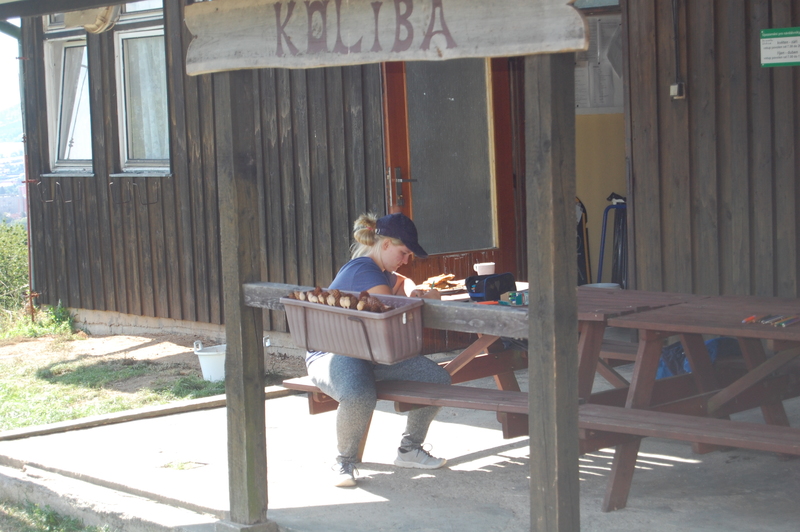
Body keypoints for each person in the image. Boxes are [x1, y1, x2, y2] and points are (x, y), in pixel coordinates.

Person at [306, 212, 452, 488]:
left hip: (368, 352)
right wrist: (427, 300)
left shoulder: (381, 271)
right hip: (332, 353)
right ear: (385, 244)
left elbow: (397, 291)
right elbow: (392, 318)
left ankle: (410, 450)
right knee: (359, 394)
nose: (406, 260)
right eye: (403, 252)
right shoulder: (364, 270)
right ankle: (344, 461)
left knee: (437, 380)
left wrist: (411, 294)